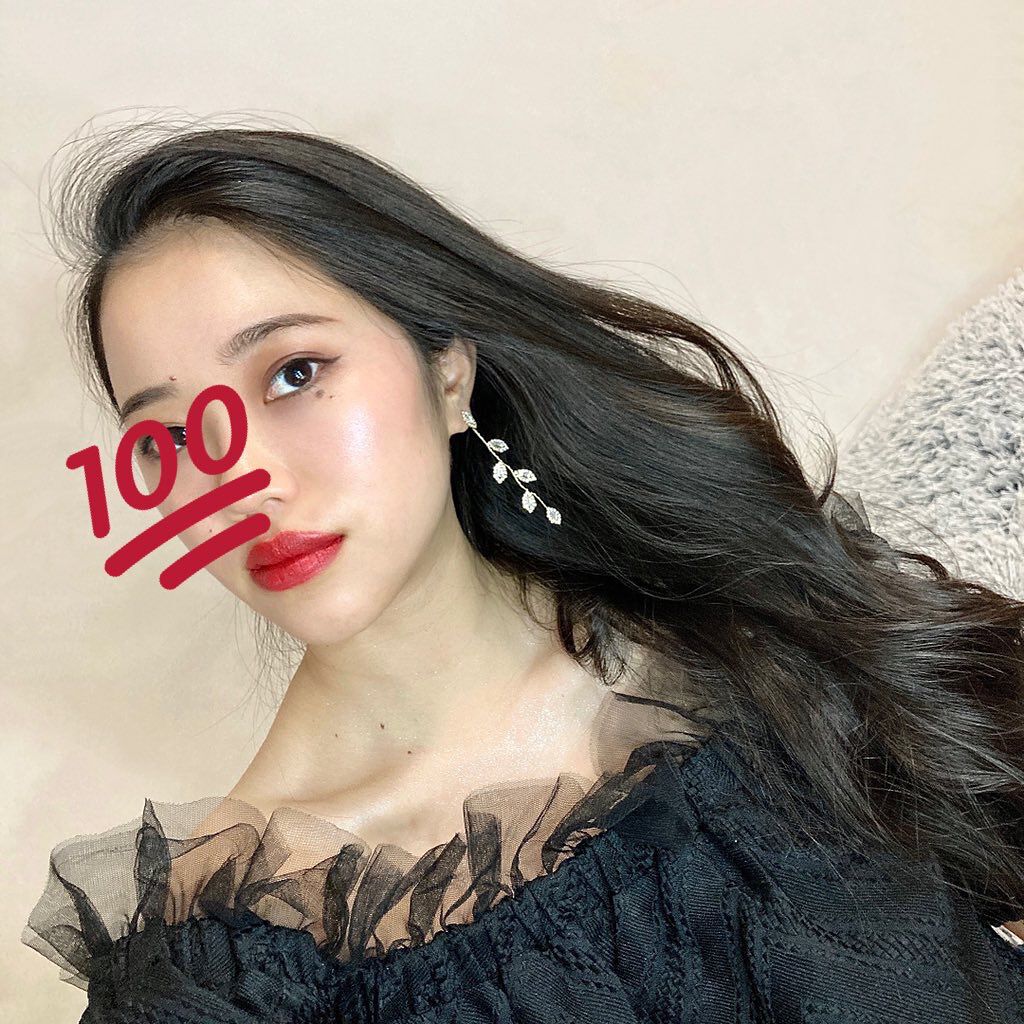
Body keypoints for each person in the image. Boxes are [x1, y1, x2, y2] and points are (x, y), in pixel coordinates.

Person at [22, 125, 1024, 1023]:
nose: (244, 483)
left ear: (447, 372)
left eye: (294, 373)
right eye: (170, 439)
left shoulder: (757, 633)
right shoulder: (221, 978)